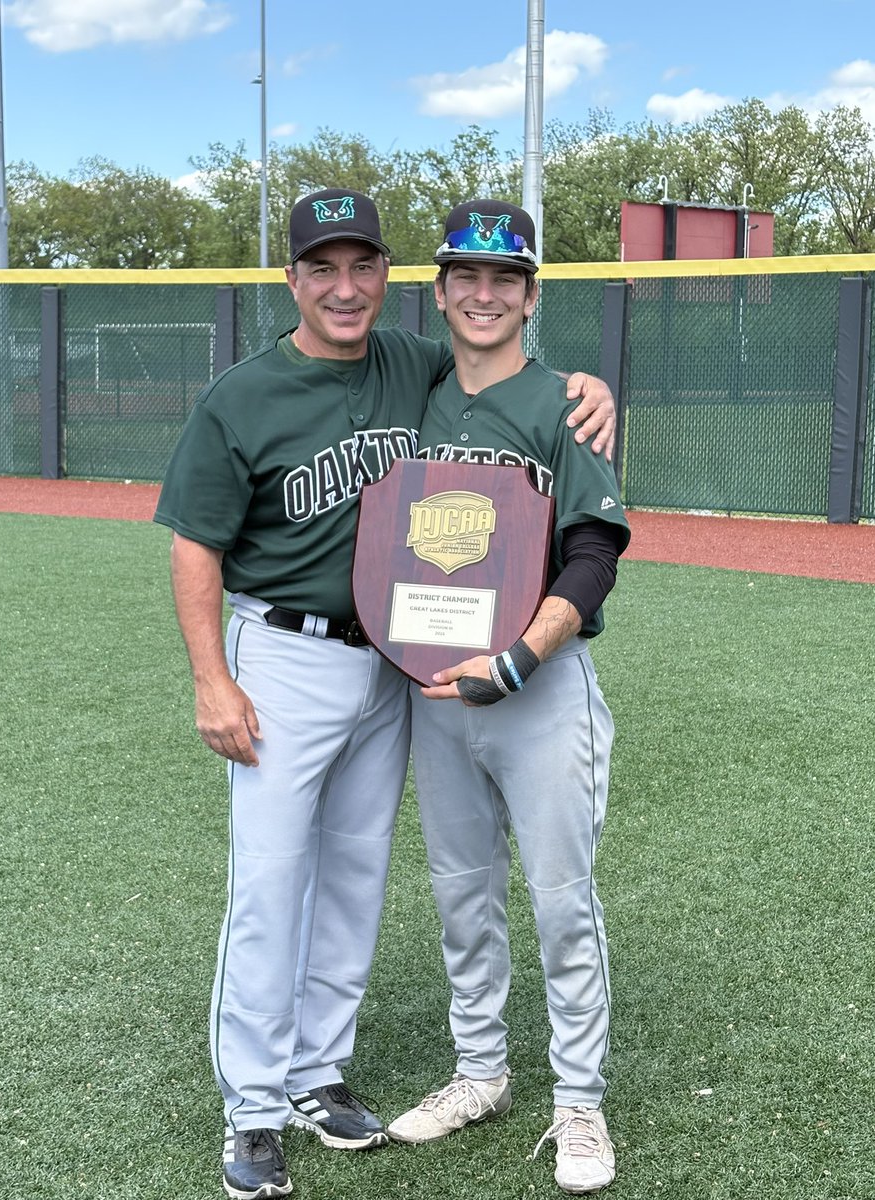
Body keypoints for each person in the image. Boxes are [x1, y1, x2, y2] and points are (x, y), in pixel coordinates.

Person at [153, 187, 617, 1200]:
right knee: (277, 881)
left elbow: (555, 466)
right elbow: (194, 543)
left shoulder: (421, 366)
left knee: (366, 876)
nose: (344, 286)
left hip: (405, 668)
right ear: (293, 279)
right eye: (323, 267)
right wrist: (211, 678)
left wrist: (591, 388)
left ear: (391, 279)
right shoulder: (248, 394)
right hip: (289, 656)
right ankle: (256, 1108)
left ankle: (324, 1073)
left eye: (362, 265)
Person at [386, 199, 631, 1196]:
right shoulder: (413, 393)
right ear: (441, 291)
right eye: (466, 276)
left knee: (563, 904)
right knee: (461, 895)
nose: (483, 294)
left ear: (531, 297)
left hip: (538, 690)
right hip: (436, 688)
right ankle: (480, 1072)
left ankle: (579, 1101)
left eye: (505, 279)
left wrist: (521, 660)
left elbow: (594, 553)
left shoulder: (566, 405)